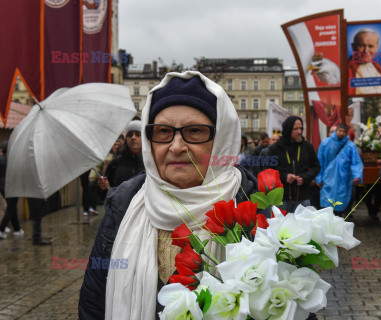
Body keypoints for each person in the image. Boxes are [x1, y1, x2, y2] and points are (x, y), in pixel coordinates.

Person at [78, 72, 261, 319]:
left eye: (194, 131)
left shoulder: (254, 208)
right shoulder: (122, 206)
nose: (176, 147)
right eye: (163, 131)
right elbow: (93, 304)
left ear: (221, 140)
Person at [267, 116, 320, 212]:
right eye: (295, 129)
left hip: (303, 196)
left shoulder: (307, 146)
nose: (299, 132)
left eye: (301, 128)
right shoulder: (275, 148)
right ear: (288, 129)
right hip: (282, 198)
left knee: (303, 226)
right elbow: (268, 170)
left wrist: (305, 177)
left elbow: (316, 167)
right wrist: (285, 176)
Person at [316, 123, 363, 216]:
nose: (341, 133)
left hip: (343, 180)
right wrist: (319, 177)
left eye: (344, 131)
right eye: (340, 131)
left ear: (346, 133)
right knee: (327, 207)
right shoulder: (326, 143)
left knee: (340, 205)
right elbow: (319, 162)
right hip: (327, 178)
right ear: (336, 130)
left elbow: (356, 162)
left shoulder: (350, 146)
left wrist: (357, 175)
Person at [97, 120, 145, 192]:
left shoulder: (151, 161)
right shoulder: (116, 162)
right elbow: (107, 192)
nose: (133, 138)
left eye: (137, 134)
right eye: (130, 135)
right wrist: (102, 187)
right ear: (126, 140)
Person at [348, 29, 381, 95]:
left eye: (371, 46)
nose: (366, 51)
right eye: (361, 46)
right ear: (353, 47)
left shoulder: (378, 67)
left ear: (376, 48)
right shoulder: (347, 69)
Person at [0, 140, 23, 239]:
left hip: (2, 187)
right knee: (11, 208)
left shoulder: (0, 159)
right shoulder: (13, 160)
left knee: (12, 207)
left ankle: (17, 229)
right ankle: (1, 229)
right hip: (12, 186)